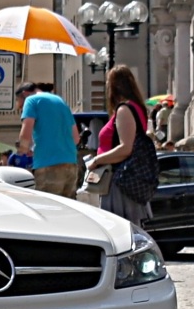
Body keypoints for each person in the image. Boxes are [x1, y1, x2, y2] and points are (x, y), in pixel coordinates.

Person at [86, 66, 156, 225]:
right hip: (124, 179)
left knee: (119, 228)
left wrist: (97, 160)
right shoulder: (137, 108)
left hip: (120, 180)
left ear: (115, 85)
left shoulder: (125, 109)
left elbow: (126, 148)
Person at [16, 82, 79, 199]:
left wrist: (22, 150)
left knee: (48, 211)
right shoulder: (60, 101)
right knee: (67, 212)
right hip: (71, 165)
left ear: (24, 94)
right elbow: (75, 138)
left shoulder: (31, 101)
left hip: (48, 166)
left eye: (20, 106)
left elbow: (25, 136)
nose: (21, 109)